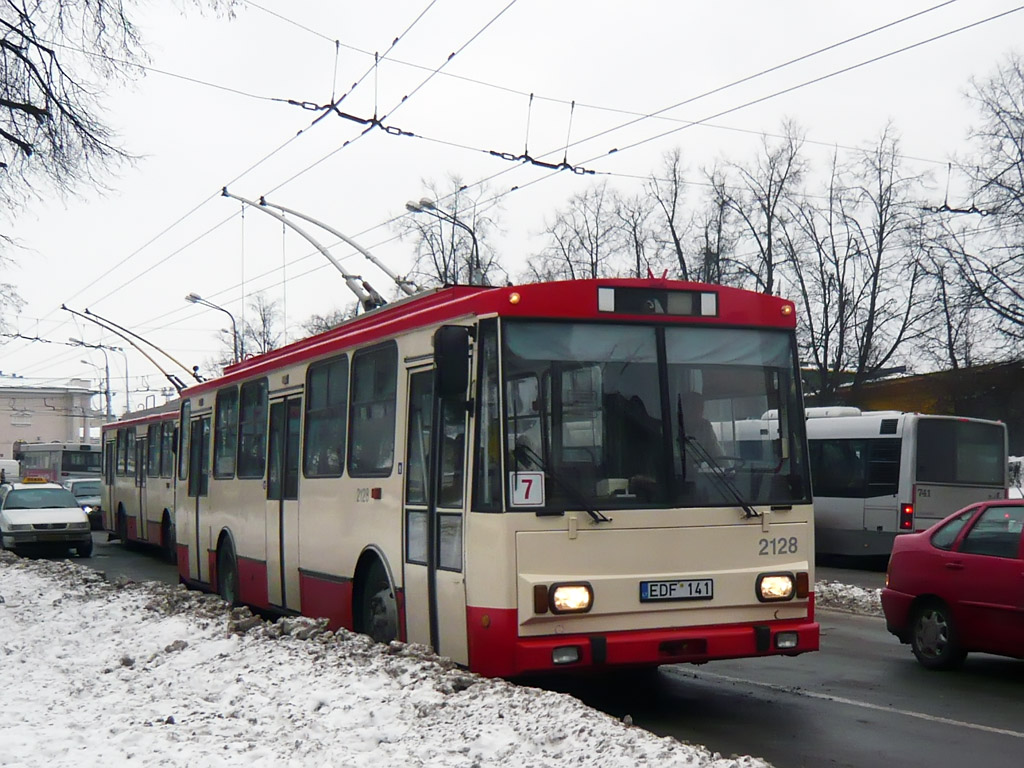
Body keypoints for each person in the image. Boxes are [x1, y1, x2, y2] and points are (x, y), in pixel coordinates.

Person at [679, 391, 722, 459]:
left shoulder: (705, 427)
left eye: (700, 409)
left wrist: (727, 469)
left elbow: (718, 456)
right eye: (693, 409)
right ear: (683, 410)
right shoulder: (672, 429)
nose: (697, 412)